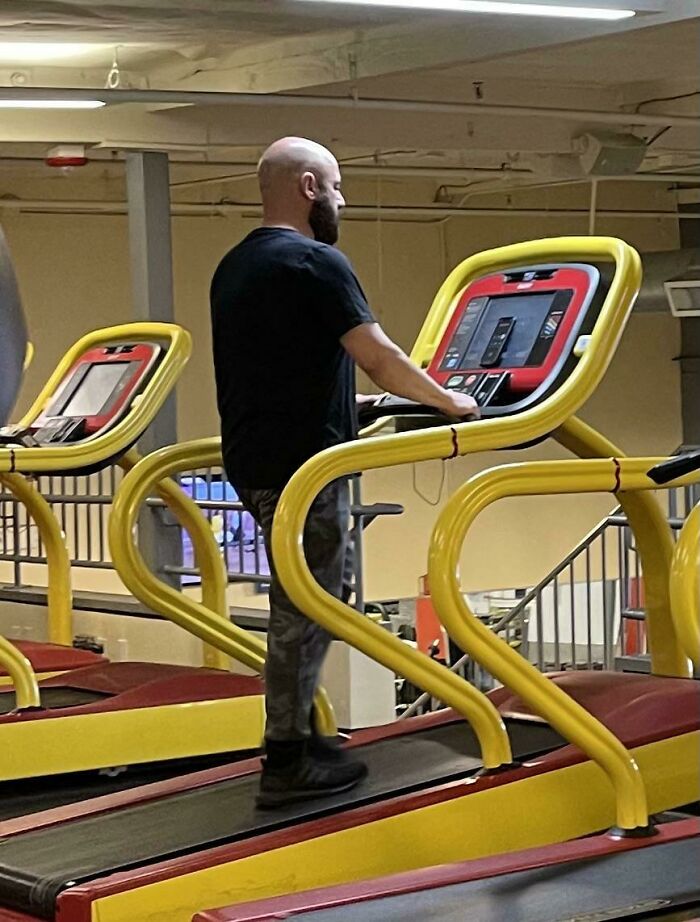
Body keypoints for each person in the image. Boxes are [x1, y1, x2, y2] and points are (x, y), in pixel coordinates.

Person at [210, 136, 479, 809]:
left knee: (317, 597)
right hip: (305, 466)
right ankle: (288, 758)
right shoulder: (316, 260)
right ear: (307, 187)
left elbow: (275, 363)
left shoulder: (237, 264)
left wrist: (347, 404)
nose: (342, 201)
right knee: (306, 606)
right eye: (336, 187)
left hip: (257, 459)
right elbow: (378, 355)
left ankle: (297, 736)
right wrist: (451, 401)